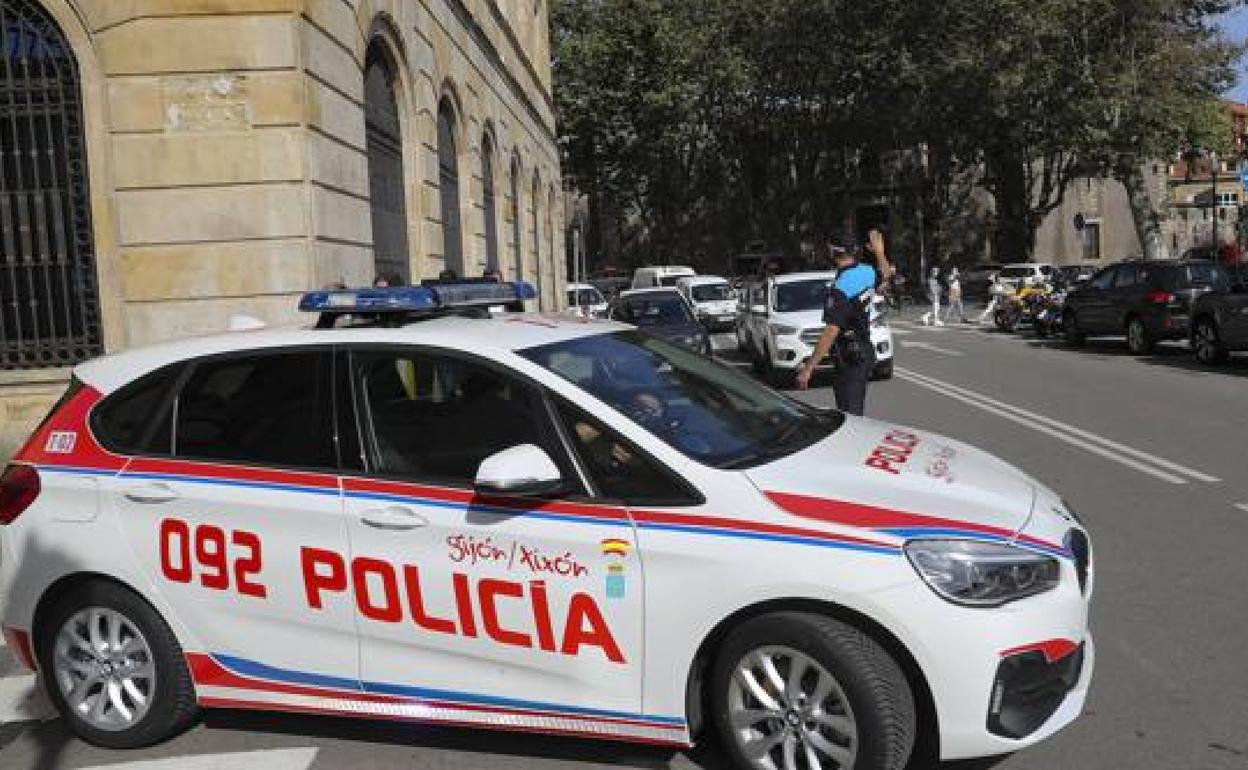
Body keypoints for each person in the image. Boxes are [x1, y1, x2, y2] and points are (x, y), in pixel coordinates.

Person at [796, 229, 893, 416]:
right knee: (853, 411)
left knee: (851, 417)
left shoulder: (841, 288)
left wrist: (809, 368)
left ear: (834, 252)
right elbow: (886, 276)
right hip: (864, 350)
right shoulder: (867, 271)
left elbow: (831, 331)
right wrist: (880, 252)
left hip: (851, 357)